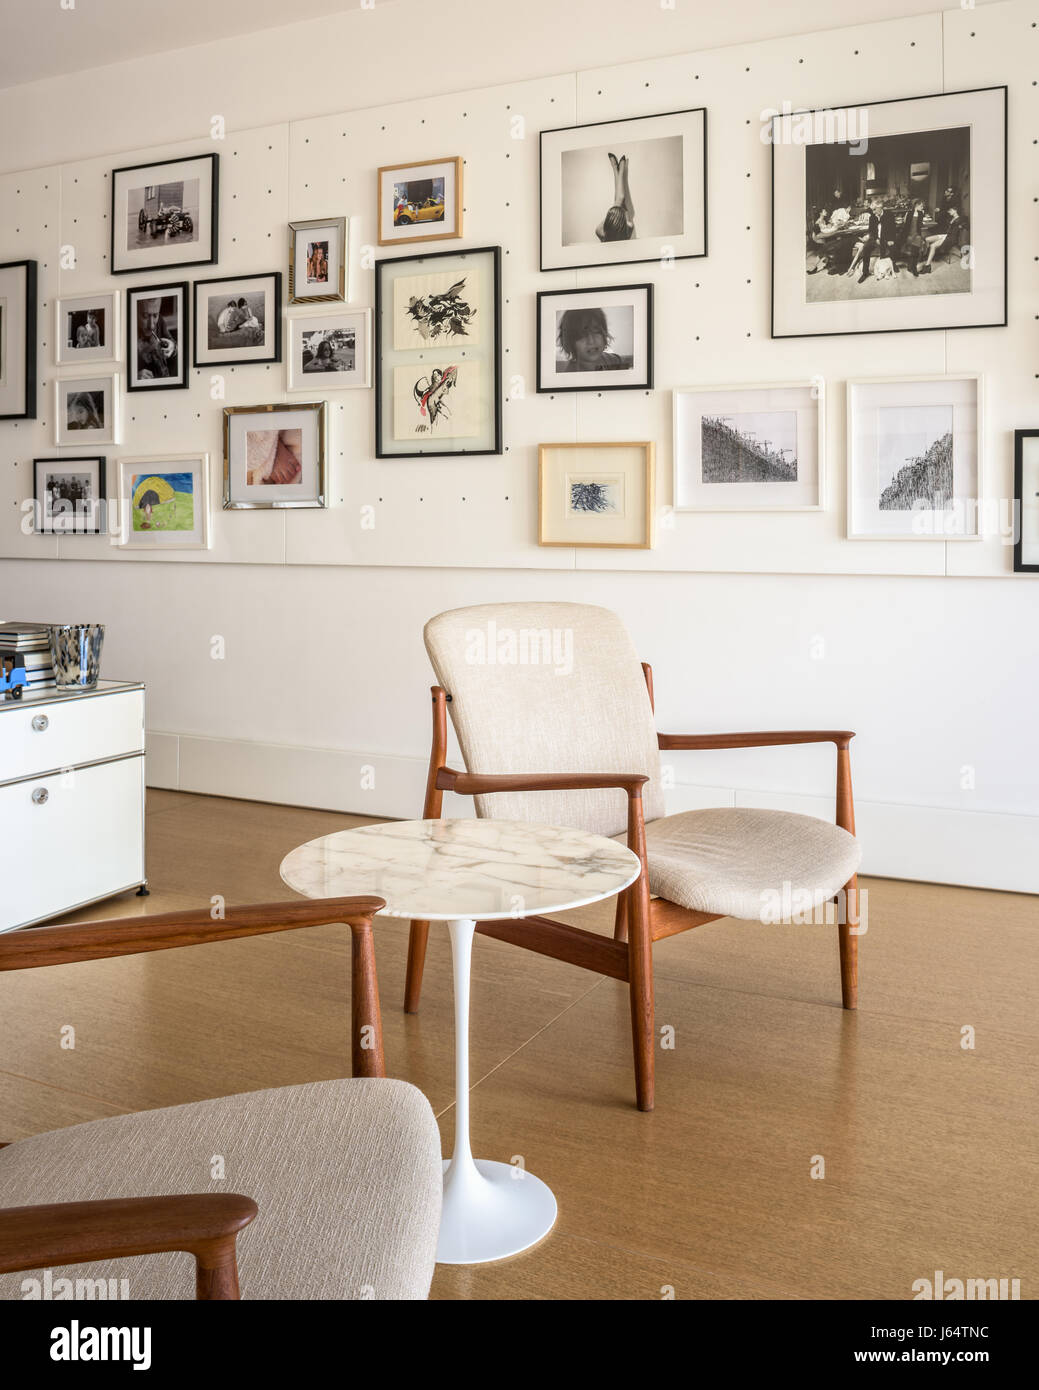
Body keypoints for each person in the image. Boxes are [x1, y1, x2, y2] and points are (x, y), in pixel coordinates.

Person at [556, 307, 632, 371]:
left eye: (596, 331)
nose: (591, 341)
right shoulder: (569, 376)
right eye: (582, 336)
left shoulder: (615, 361)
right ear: (570, 342)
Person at [596, 151, 635, 242]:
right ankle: (618, 169)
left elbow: (608, 218)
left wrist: (613, 219)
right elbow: (626, 217)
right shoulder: (628, 227)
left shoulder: (601, 233)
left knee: (618, 199)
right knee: (620, 200)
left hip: (614, 218)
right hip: (624, 215)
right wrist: (619, 214)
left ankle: (617, 169)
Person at [136, 297, 176, 379]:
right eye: (145, 316)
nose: (151, 326)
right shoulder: (125, 330)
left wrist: (172, 347)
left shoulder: (160, 321)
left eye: (155, 315)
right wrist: (134, 377)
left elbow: (173, 344)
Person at [918, 203, 961, 274]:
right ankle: (926, 255)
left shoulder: (959, 220)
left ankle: (927, 266)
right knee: (927, 239)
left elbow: (958, 230)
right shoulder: (951, 217)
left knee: (933, 246)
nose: (949, 212)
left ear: (955, 210)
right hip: (945, 235)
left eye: (950, 210)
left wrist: (961, 226)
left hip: (950, 238)